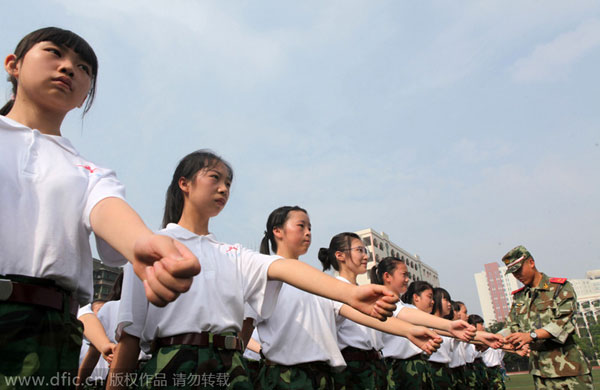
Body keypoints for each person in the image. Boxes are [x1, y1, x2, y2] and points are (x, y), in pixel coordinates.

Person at [0, 27, 199, 386]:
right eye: (54, 53)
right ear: (13, 65)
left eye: (83, 68)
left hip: (45, 332)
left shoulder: (88, 172)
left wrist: (142, 244)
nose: (68, 68)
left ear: (84, 97)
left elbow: (108, 208)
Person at [108, 152, 398, 390]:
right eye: (215, 178)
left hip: (230, 369)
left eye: (229, 183)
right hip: (170, 364)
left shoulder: (232, 254)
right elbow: (129, 339)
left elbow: (284, 268)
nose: (224, 189)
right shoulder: (149, 248)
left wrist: (351, 293)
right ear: (185, 184)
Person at [250, 211, 441, 390]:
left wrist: (409, 331)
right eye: (301, 226)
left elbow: (364, 314)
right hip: (286, 375)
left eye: (310, 228)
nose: (308, 233)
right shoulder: (261, 275)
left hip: (324, 375)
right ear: (277, 231)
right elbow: (245, 328)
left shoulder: (322, 285)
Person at [499, 245, 593, 389]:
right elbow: (511, 326)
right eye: (513, 272)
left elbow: (562, 323)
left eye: (518, 270)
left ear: (531, 262)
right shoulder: (520, 297)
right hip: (540, 372)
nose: (517, 275)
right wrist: (493, 339)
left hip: (568, 369)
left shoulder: (560, 288)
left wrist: (530, 335)